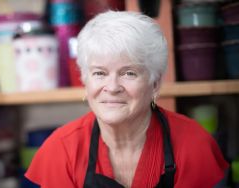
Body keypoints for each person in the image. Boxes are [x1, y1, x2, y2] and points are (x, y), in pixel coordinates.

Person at [25, 11, 229, 188]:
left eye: (129, 73)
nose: (112, 87)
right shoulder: (62, 149)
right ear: (85, 82)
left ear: (155, 83)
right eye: (99, 73)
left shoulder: (193, 144)